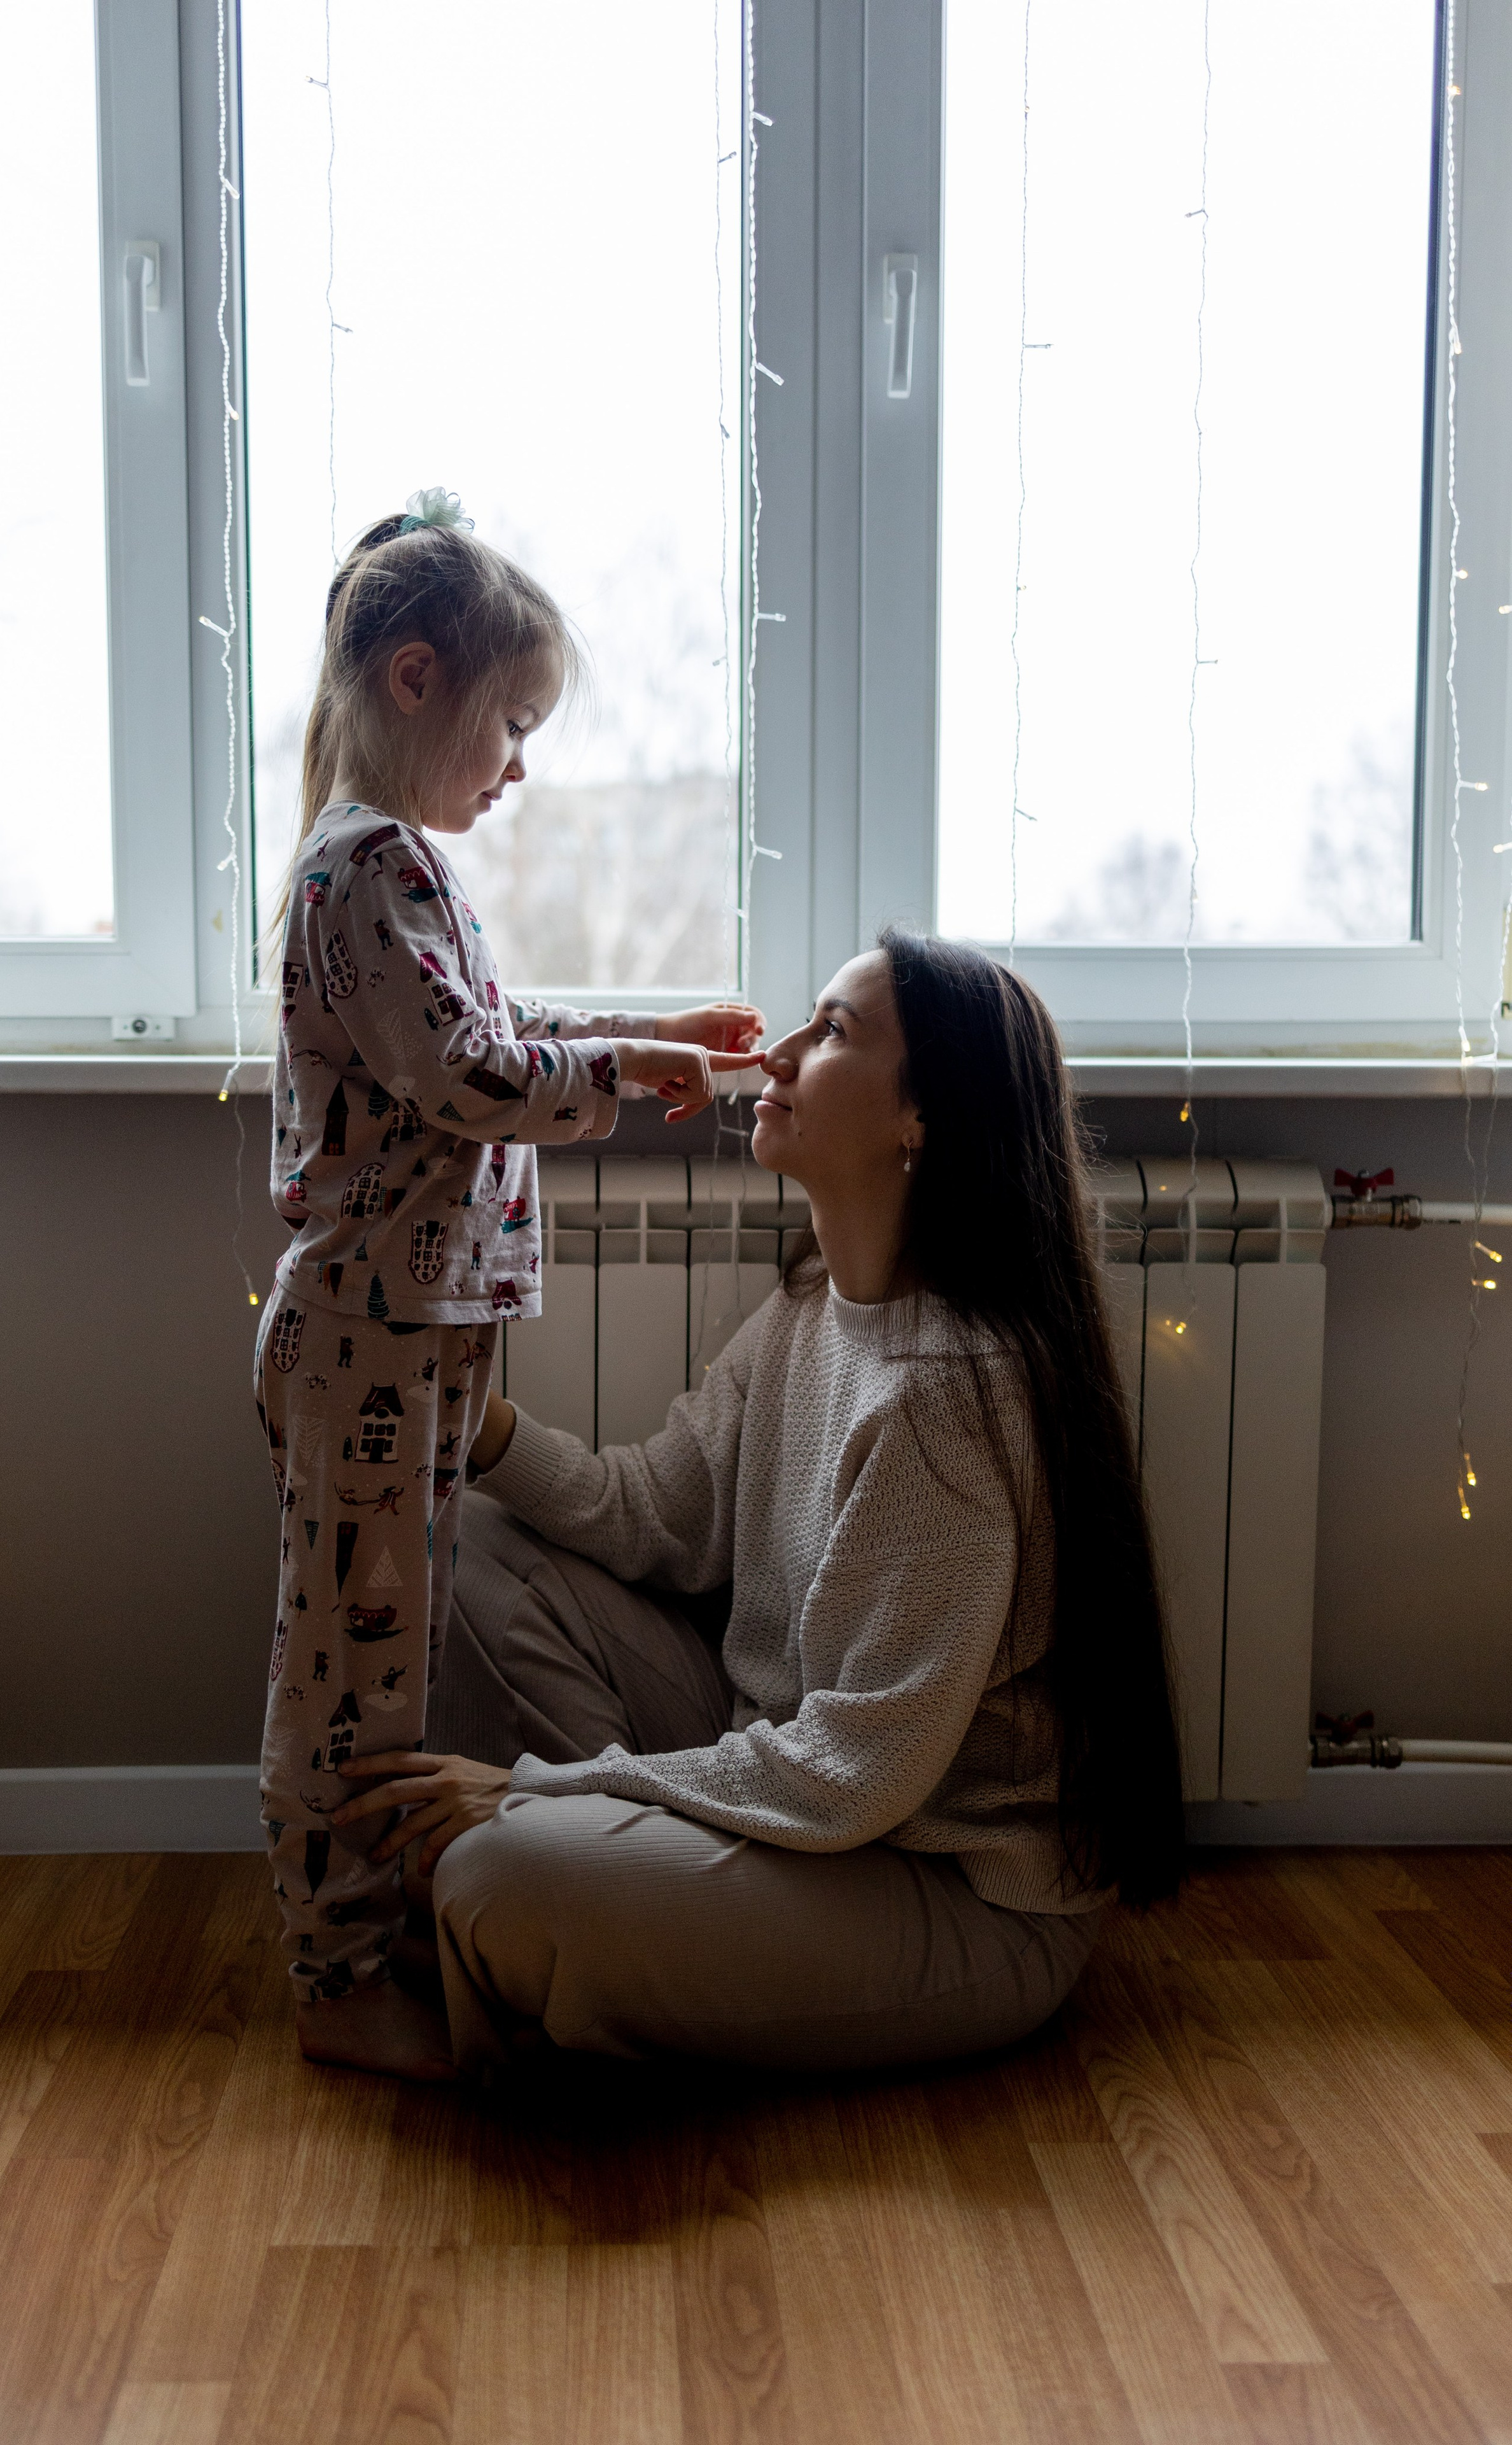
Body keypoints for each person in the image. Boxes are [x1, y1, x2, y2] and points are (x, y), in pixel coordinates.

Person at [331, 931, 1186, 2081]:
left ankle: (560, 1902)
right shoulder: (811, 1310)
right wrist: (475, 1425)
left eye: (831, 1032)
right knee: (478, 1539)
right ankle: (589, 1892)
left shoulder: (942, 1399)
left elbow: (852, 1775)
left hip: (942, 1887)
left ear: (919, 1121)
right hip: (789, 1777)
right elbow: (658, 1518)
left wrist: (547, 1790)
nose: (777, 1053)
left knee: (500, 1875)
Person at [254, 486, 762, 2072]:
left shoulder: (400, 869)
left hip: (410, 1339)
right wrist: (621, 1062)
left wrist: (651, 1036)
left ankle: (361, 1926)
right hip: (366, 1338)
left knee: (382, 1660)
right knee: (350, 1671)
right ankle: (337, 1982)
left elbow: (486, 1014)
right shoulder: (367, 867)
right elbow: (470, 1070)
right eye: (512, 723)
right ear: (418, 682)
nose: (521, 765)